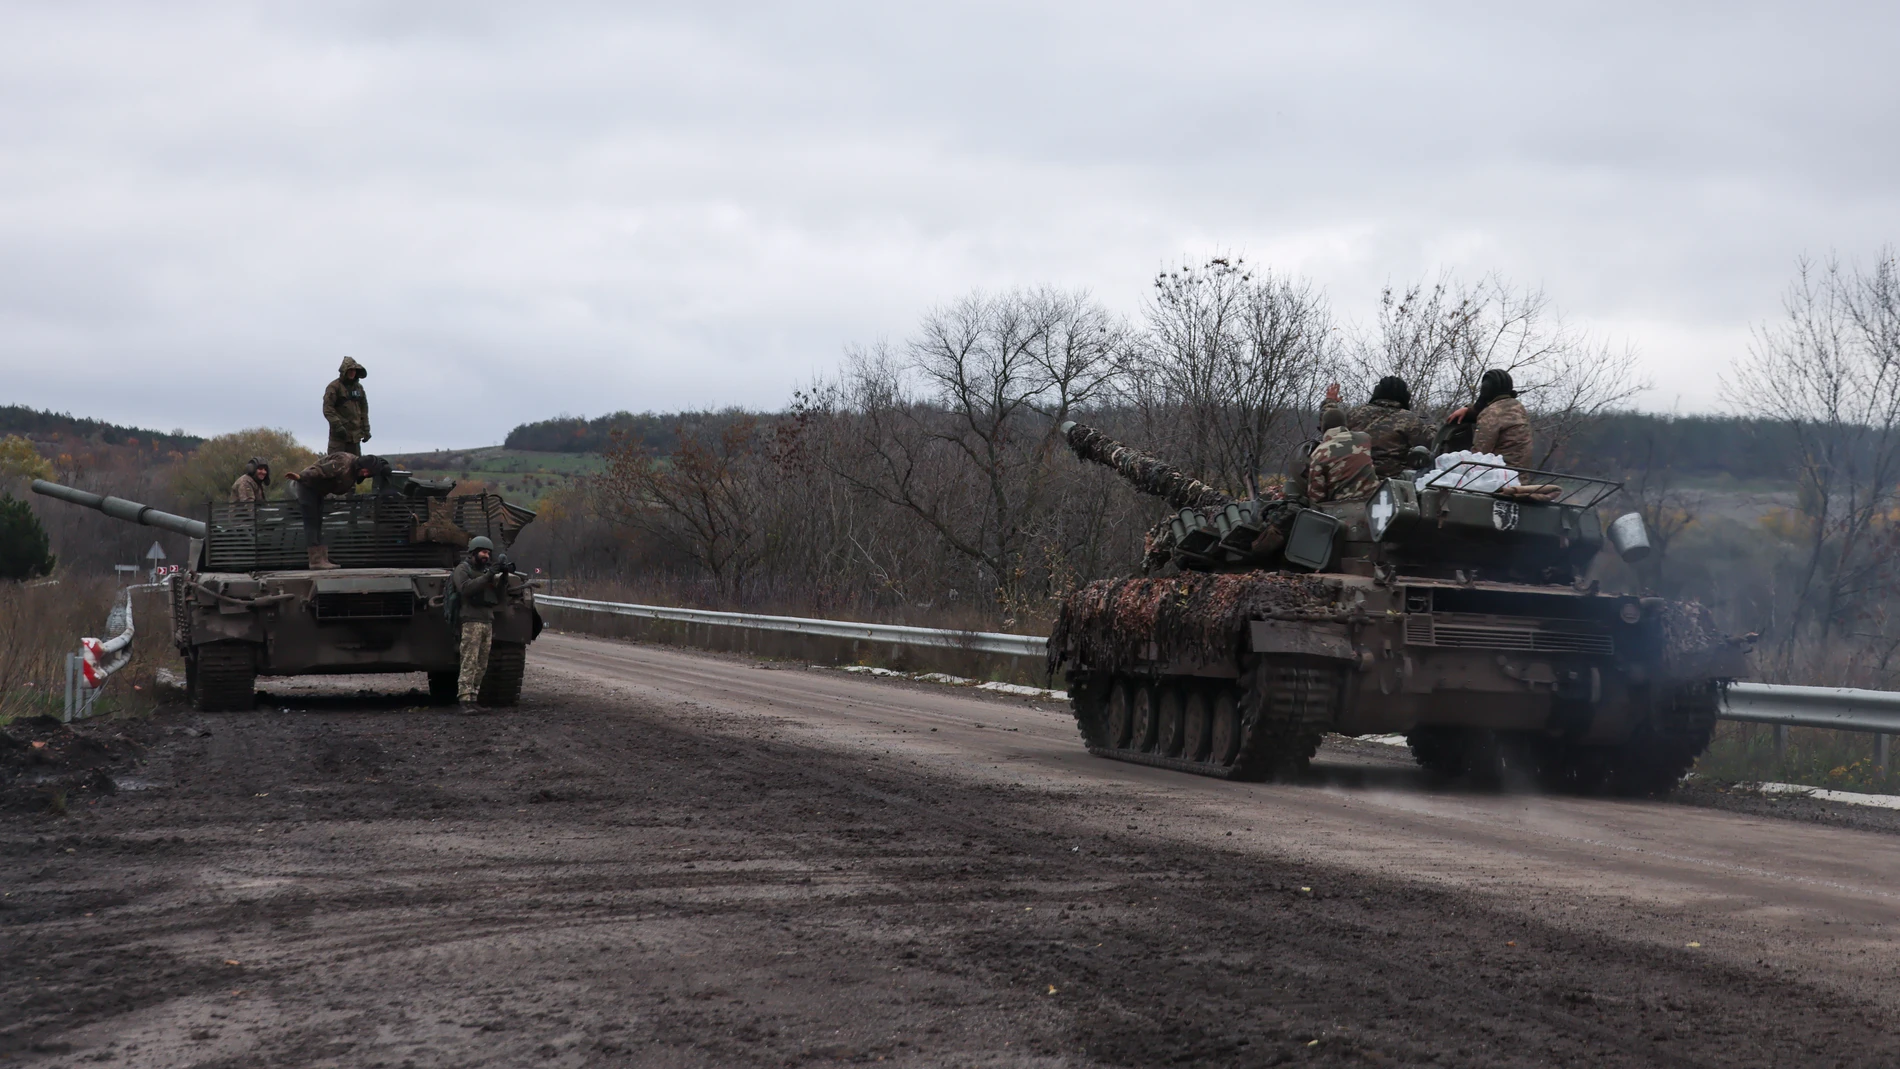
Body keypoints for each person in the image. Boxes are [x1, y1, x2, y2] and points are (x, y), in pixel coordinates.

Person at [284, 452, 389, 569]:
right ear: (361, 466)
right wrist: (301, 477)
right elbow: (320, 470)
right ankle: (316, 561)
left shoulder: (358, 468)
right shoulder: (343, 464)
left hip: (318, 490)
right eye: (366, 470)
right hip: (307, 485)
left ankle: (323, 558)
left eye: (369, 473)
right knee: (312, 522)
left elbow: (378, 464)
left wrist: (385, 469)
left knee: (318, 521)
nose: (366, 474)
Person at [1321, 376, 1432, 477]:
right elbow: (1432, 442)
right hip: (1389, 484)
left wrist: (1330, 402)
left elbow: (1331, 426)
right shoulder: (1409, 419)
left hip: (1354, 481)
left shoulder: (1355, 413)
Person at [451, 536, 508, 713]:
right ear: (474, 552)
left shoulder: (486, 572)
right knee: (469, 660)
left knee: (481, 663)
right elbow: (466, 589)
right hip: (471, 620)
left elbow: (499, 596)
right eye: (483, 552)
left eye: (489, 553)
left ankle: (474, 697)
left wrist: (503, 575)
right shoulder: (463, 569)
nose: (486, 555)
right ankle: (464, 699)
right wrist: (489, 575)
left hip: (486, 620)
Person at [1443, 369, 1533, 468]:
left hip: (1498, 477)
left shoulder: (1491, 413)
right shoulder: (1518, 407)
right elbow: (1497, 413)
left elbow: (1479, 454)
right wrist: (1468, 410)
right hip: (1520, 475)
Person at [1306, 407, 1380, 503]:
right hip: (1373, 502)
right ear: (1345, 424)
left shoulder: (1319, 453)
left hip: (1341, 507)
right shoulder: (1364, 438)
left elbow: (1316, 495)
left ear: (1323, 427)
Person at [322, 357, 372, 456]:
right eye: (350, 370)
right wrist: (338, 426)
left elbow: (364, 410)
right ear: (344, 371)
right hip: (338, 438)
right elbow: (328, 409)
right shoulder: (334, 387)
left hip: (355, 438)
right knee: (336, 466)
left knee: (355, 467)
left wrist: (366, 429)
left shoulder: (359, 388)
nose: (352, 373)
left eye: (354, 370)